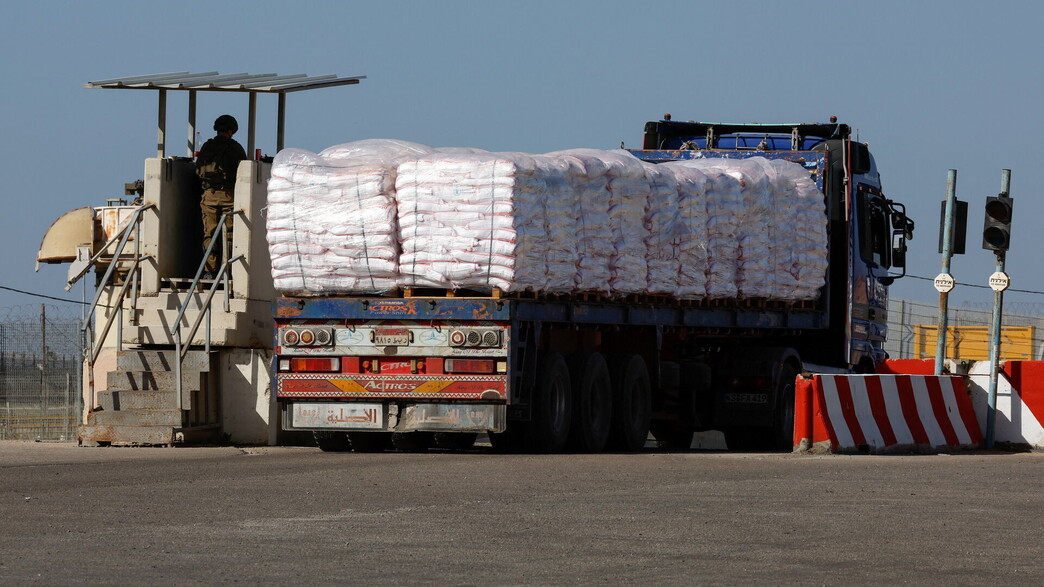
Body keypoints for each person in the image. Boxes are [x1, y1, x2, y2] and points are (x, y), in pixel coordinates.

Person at [195, 114, 247, 278]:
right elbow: (244, 171)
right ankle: (228, 270)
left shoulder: (207, 147)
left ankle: (209, 271)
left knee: (209, 234)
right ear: (232, 130)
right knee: (229, 234)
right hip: (228, 197)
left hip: (209, 196)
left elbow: (198, 169)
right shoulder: (235, 148)